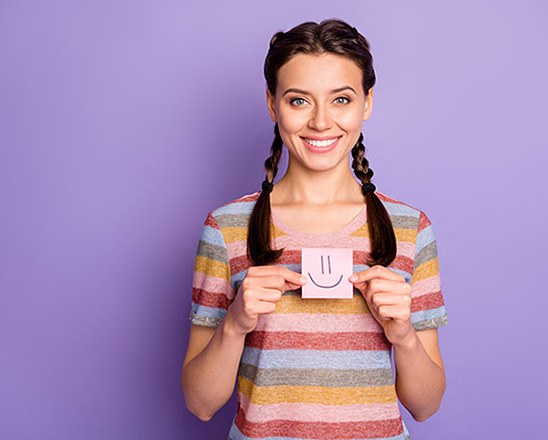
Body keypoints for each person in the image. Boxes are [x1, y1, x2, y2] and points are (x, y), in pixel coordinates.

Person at [181, 18, 449, 440]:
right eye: (299, 101)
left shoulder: (410, 229)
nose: (322, 122)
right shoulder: (227, 228)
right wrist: (234, 323)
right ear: (273, 104)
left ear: (367, 103)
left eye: (341, 99)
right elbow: (200, 403)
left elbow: (426, 406)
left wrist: (404, 336)